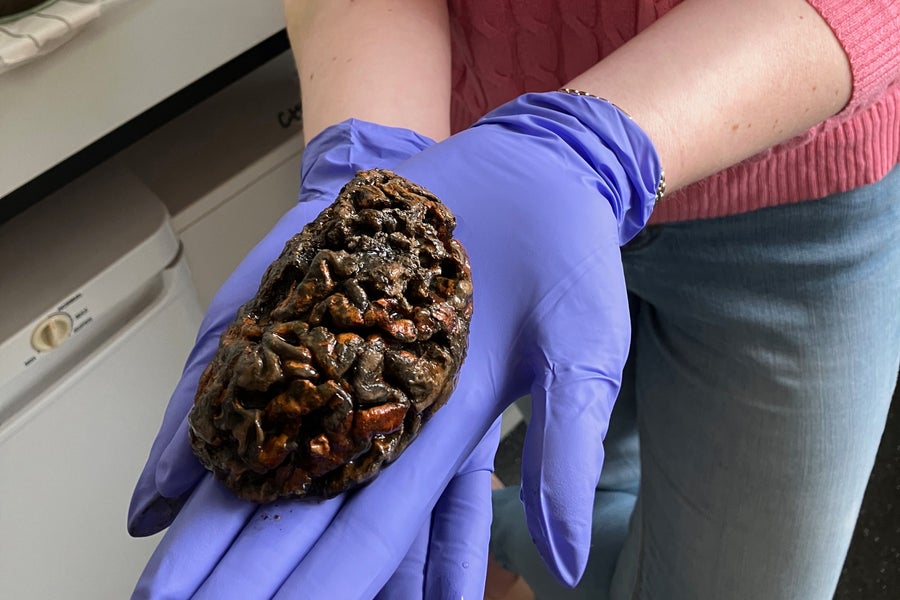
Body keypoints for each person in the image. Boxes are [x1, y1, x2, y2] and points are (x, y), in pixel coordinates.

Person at [127, 1, 900, 598]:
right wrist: (374, 141)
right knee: (586, 480)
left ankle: (507, 527)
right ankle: (513, 531)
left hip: (799, 180)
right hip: (487, 182)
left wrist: (592, 144)